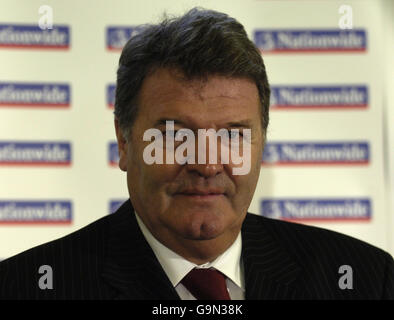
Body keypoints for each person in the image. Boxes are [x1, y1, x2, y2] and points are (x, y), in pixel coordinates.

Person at [0, 7, 393, 300]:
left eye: (233, 135)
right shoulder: (26, 287)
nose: (206, 163)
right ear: (124, 142)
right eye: (175, 135)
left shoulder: (365, 280)